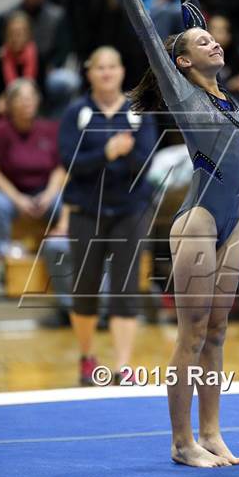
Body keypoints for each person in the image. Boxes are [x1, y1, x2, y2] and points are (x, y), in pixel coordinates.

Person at [93, 0, 239, 467]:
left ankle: (211, 432)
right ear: (181, 65)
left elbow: (195, 27)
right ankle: (181, 442)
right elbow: (149, 34)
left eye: (212, 39)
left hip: (233, 222)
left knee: (217, 331)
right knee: (190, 334)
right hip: (201, 220)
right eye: (200, 44)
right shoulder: (185, 93)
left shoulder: (222, 95)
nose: (212, 41)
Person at [59, 45, 158, 386]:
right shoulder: (77, 112)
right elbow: (70, 162)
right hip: (86, 211)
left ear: (120, 72)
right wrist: (107, 152)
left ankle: (123, 365)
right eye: (99, 67)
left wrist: (124, 156)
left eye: (111, 67)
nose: (106, 73)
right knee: (85, 288)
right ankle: (87, 357)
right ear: (89, 74)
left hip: (130, 211)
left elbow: (145, 162)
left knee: (125, 288)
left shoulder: (138, 112)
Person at [0, 79, 64, 267]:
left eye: (31, 97)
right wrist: (18, 199)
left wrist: (48, 195)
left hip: (45, 192)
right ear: (10, 103)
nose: (27, 102)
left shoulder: (50, 128)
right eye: (21, 98)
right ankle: (1, 258)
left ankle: (64, 255)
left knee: (67, 201)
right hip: (11, 194)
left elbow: (59, 168)